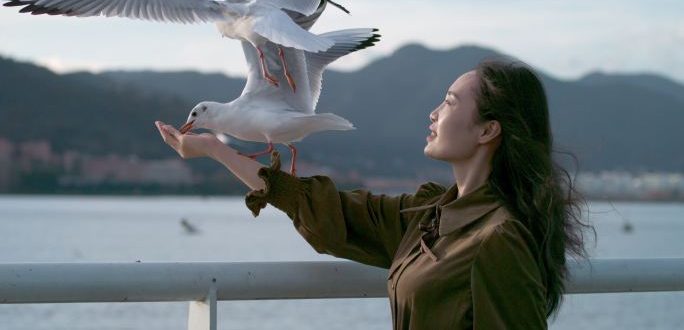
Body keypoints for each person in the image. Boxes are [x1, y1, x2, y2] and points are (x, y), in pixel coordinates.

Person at [156, 58, 593, 330]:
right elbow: (327, 212)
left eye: (450, 102)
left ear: (487, 130)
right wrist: (215, 148)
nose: (434, 112)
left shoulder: (499, 240)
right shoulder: (430, 216)